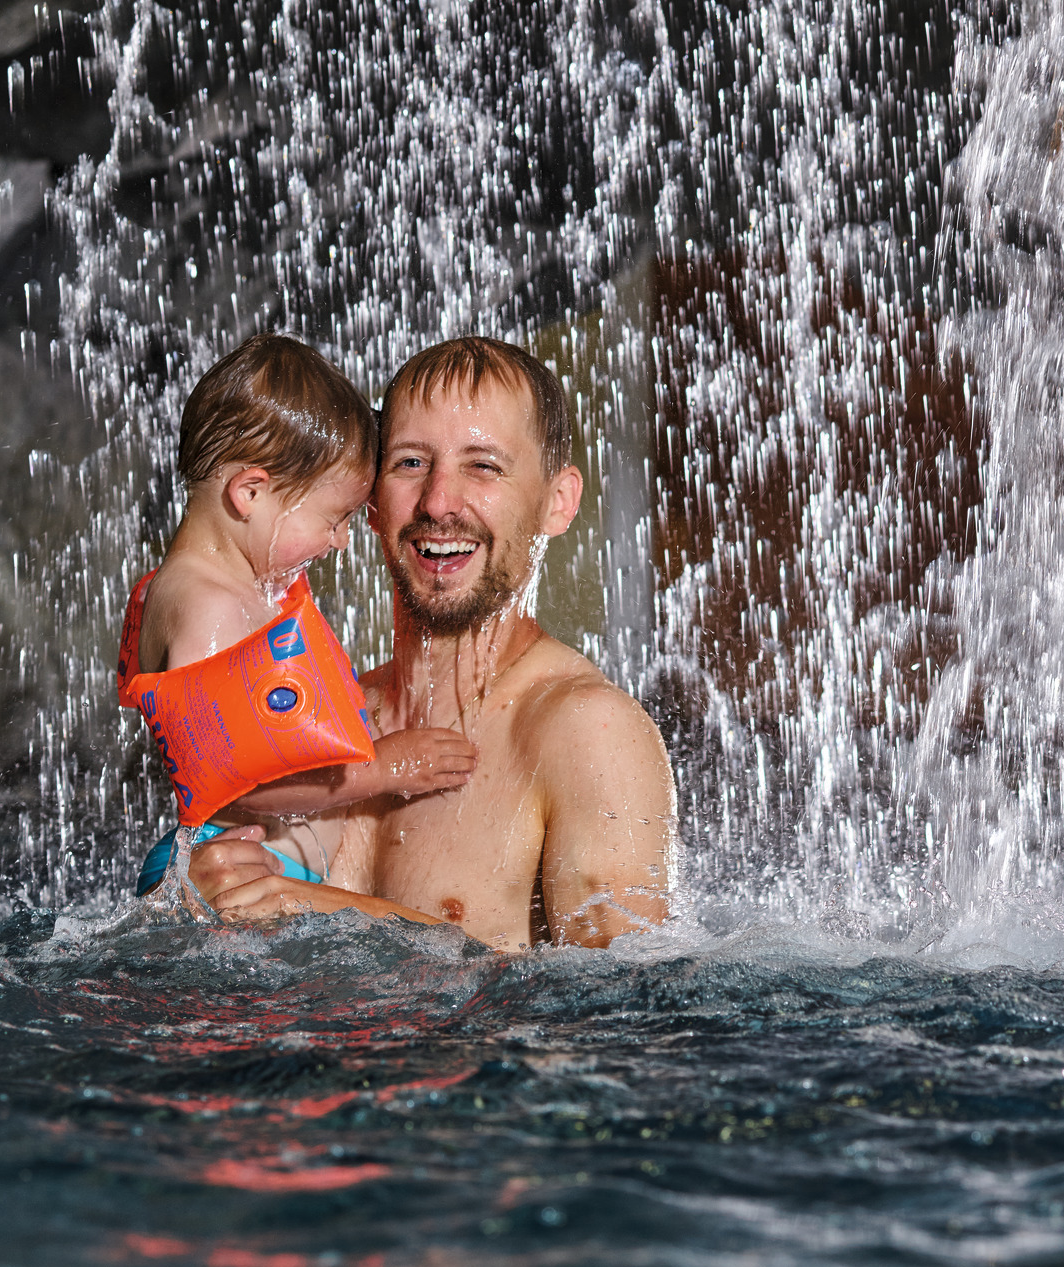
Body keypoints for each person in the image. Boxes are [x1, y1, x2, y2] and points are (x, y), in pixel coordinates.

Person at [189, 337, 677, 948]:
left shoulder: (586, 734)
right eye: (411, 463)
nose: (440, 501)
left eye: (483, 466)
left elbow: (626, 1011)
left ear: (559, 503)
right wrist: (200, 894)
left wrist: (326, 909)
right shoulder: (312, 714)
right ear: (369, 500)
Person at [126, 335, 478, 891]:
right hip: (233, 879)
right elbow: (235, 781)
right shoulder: (208, 605)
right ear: (250, 492)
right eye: (333, 517)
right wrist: (383, 767)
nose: (340, 541)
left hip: (253, 874)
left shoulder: (215, 589)